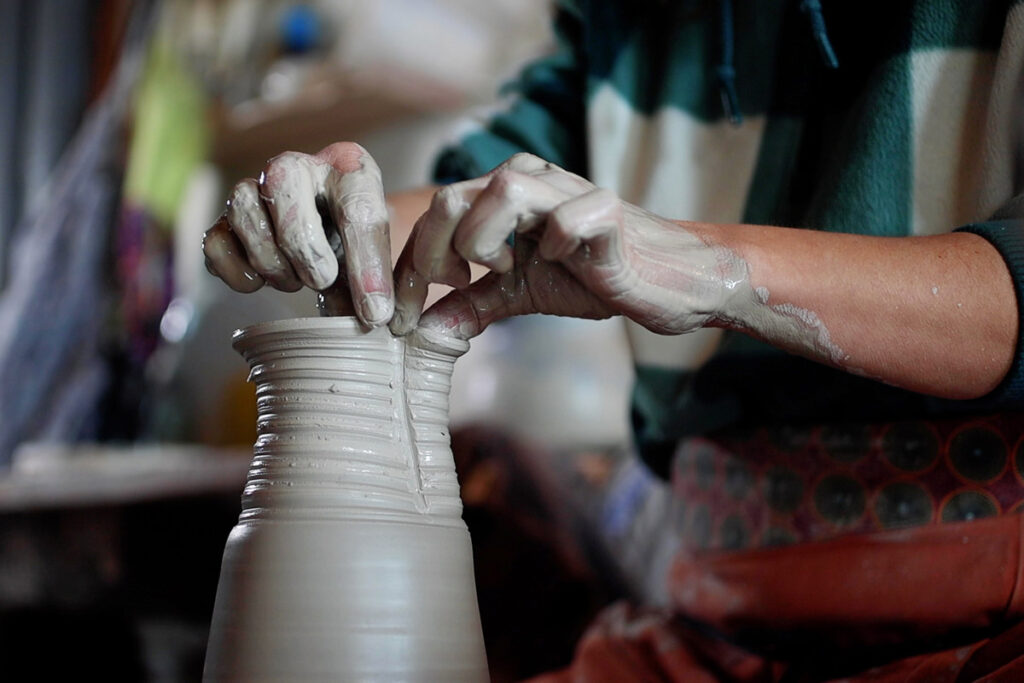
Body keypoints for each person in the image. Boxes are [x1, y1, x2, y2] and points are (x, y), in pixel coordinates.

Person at [204, 0, 1024, 679]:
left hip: (990, 614)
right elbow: (461, 210)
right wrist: (324, 214)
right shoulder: (629, 18)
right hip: (715, 620)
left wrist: (720, 273)